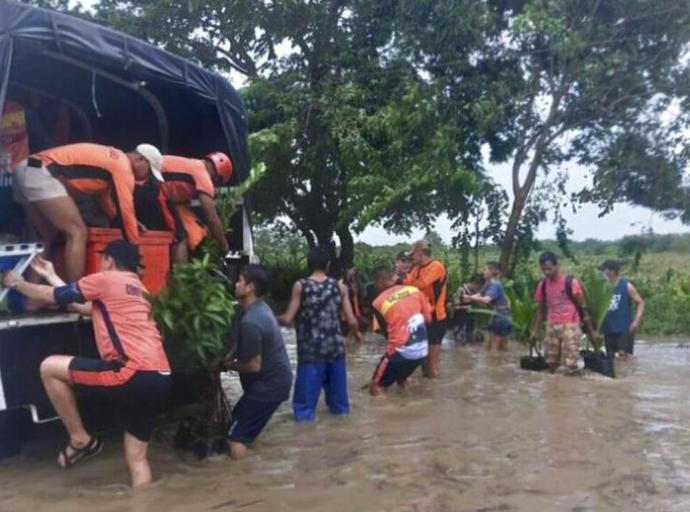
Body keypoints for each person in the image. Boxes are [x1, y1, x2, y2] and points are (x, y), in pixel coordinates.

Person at [2, 241, 171, 488]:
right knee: (137, 458)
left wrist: (16, 283)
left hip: (130, 371)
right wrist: (51, 274)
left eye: (102, 259)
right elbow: (83, 306)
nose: (99, 263)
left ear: (110, 261)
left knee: (49, 367)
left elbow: (53, 297)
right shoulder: (139, 290)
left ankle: (80, 439)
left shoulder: (106, 280)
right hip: (161, 376)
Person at [12, 142, 163, 280]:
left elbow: (105, 201)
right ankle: (73, 296)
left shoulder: (112, 160)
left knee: (45, 237)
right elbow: (126, 210)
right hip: (41, 170)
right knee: (77, 232)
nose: (146, 179)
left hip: (27, 165)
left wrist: (127, 221)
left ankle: (31, 301)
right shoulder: (123, 167)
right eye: (149, 173)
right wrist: (135, 256)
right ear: (141, 160)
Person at [277, 247, 361, 422]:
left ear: (309, 264)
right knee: (340, 407)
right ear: (328, 265)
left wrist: (269, 317)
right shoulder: (340, 286)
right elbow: (352, 321)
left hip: (310, 353)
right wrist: (357, 335)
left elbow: (287, 318)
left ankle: (307, 443)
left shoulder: (301, 285)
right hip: (336, 351)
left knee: (304, 409)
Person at [224, 264, 293, 459]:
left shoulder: (251, 320)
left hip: (269, 386)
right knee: (236, 419)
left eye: (239, 280)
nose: (235, 284)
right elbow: (242, 343)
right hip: (273, 383)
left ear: (250, 288)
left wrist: (227, 365)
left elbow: (254, 365)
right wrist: (229, 355)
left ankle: (241, 482)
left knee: (235, 437)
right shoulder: (260, 308)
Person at [530, 252, 598, 373]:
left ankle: (569, 389)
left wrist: (591, 330)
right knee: (550, 363)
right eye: (543, 269)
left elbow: (584, 307)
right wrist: (534, 331)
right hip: (552, 325)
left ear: (557, 266)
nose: (546, 272)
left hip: (570, 325)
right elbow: (540, 310)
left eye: (549, 268)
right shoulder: (543, 285)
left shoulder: (571, 282)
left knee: (570, 364)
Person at [160, 152, 233, 264]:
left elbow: (180, 202)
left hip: (153, 188)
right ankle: (181, 276)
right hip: (153, 190)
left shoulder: (193, 165)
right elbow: (212, 219)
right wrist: (225, 247)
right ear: (217, 177)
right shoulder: (203, 176)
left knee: (191, 227)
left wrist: (202, 228)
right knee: (181, 237)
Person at [370, 267, 430, 396]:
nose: (375, 287)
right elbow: (428, 319)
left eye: (375, 284)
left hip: (401, 352)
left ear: (379, 281)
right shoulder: (414, 290)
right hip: (422, 351)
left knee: (376, 387)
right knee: (401, 378)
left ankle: (386, 414)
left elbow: (386, 333)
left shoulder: (378, 302)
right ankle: (406, 405)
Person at [404, 240, 447, 379]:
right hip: (422, 317)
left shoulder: (436, 267)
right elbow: (407, 284)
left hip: (436, 317)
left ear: (420, 253)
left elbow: (421, 284)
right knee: (423, 360)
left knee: (431, 364)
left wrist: (404, 280)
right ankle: (427, 394)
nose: (411, 259)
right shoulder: (416, 268)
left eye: (413, 256)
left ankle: (434, 395)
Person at [600, 260, 646, 357]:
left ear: (612, 271)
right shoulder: (603, 286)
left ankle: (627, 372)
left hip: (624, 328)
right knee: (610, 355)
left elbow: (641, 302)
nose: (602, 273)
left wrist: (637, 321)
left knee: (624, 355)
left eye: (604, 270)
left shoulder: (626, 285)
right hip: (608, 328)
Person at [467, 262, 512, 352]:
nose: (483, 272)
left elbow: (486, 300)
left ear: (492, 271)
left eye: (485, 269)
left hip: (499, 317)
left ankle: (493, 366)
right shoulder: (489, 284)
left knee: (493, 349)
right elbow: (478, 295)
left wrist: (469, 297)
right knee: (503, 348)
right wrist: (468, 298)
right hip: (505, 316)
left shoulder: (494, 284)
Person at [450, 273, 485, 345]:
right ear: (474, 283)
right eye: (478, 287)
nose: (478, 289)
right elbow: (453, 307)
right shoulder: (461, 290)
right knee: (460, 344)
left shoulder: (475, 292)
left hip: (470, 322)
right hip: (460, 322)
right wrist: (464, 307)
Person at [340, 264, 367, 337]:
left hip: (355, 311)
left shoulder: (353, 282)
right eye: (353, 269)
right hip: (345, 314)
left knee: (363, 324)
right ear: (347, 270)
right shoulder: (341, 284)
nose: (354, 271)